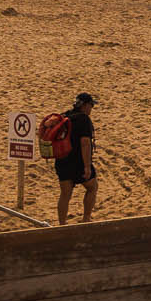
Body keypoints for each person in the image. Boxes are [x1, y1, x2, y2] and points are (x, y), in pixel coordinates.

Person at [54, 91, 99, 224]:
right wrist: (87, 166)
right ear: (85, 105)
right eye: (91, 105)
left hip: (62, 160)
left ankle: (62, 225)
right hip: (78, 162)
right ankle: (86, 219)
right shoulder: (84, 119)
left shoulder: (65, 116)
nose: (91, 108)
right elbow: (85, 143)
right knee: (92, 187)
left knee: (65, 194)